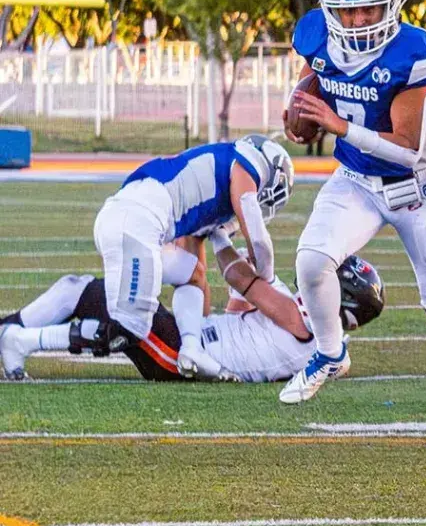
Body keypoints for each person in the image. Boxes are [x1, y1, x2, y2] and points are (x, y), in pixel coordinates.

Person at [280, 0, 426, 434]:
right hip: (356, 180)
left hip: (417, 188)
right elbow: (309, 85)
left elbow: (408, 150)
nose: (357, 21)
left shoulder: (413, 54)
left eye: (369, 9)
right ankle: (331, 353)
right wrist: (298, 112)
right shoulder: (316, 35)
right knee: (311, 260)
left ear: (391, 6)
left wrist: (337, 126)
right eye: (348, 11)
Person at [0, 237, 384, 384]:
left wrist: (219, 233)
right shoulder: (314, 333)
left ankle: (19, 340)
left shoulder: (309, 328)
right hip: (193, 339)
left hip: (181, 359)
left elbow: (238, 277)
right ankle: (9, 333)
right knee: (84, 288)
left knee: (121, 317)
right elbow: (236, 311)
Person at [90, 135, 293, 367]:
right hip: (138, 220)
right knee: (130, 327)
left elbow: (196, 277)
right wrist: (270, 287)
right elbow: (257, 240)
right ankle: (57, 336)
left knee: (192, 273)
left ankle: (193, 347)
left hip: (133, 220)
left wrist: (200, 335)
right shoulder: (246, 165)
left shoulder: (209, 195)